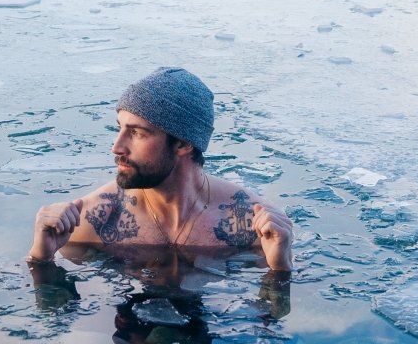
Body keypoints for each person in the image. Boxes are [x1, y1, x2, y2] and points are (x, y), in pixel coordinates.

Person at [25, 66, 294, 275]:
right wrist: (41, 256)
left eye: (137, 133)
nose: (116, 147)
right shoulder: (95, 218)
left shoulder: (252, 222)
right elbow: (56, 320)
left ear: (183, 143)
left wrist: (280, 267)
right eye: (119, 128)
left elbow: (281, 323)